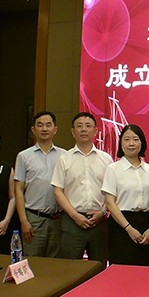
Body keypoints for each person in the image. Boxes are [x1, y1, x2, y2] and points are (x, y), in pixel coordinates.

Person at [51, 112, 113, 266]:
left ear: (95, 131)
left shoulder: (106, 159)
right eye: (79, 126)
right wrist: (75, 216)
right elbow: (58, 191)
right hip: (72, 221)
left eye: (88, 126)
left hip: (99, 221)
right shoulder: (64, 159)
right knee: (69, 269)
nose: (83, 129)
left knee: (98, 266)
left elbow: (112, 191)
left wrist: (103, 212)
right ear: (73, 132)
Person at [102, 124, 149, 266]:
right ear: (121, 144)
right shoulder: (113, 169)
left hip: (144, 224)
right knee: (121, 270)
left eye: (135, 139)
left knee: (143, 270)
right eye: (127, 139)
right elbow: (110, 203)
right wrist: (128, 228)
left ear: (142, 143)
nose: (131, 143)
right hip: (120, 225)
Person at [14, 111, 66, 257]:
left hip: (58, 219)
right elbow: (18, 190)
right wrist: (23, 221)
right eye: (40, 125)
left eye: (48, 125)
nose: (44, 129)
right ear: (33, 129)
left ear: (55, 129)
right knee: (32, 262)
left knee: (55, 264)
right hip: (34, 219)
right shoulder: (24, 156)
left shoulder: (64, 155)